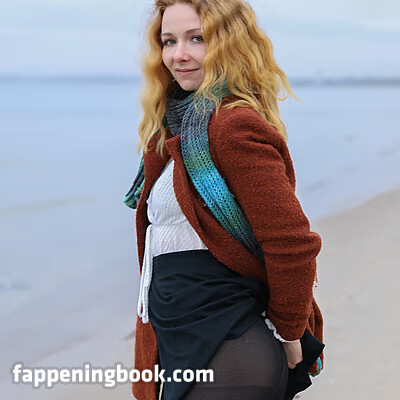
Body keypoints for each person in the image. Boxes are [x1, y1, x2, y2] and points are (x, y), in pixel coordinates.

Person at [125, 1, 325, 399]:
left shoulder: (231, 127)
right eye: (169, 41)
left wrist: (289, 330)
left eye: (197, 38)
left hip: (230, 348)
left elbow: (291, 242)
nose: (179, 55)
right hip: (182, 335)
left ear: (230, 44)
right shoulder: (170, 133)